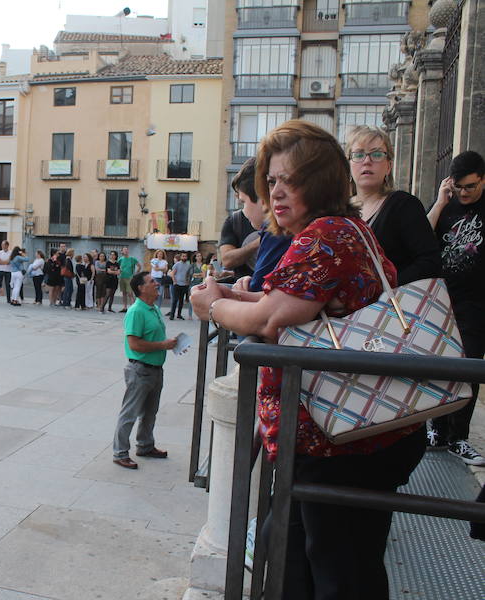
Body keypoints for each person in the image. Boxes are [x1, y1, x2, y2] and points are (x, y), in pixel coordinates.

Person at [191, 120, 425, 599]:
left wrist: (212, 306)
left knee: (340, 572)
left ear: (318, 181)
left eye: (289, 180)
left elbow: (275, 319)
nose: (276, 192)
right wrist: (242, 297)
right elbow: (297, 305)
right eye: (272, 181)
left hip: (344, 435)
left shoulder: (326, 236)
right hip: (344, 431)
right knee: (299, 558)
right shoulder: (341, 230)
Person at [426, 150, 485, 466]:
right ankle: (435, 428)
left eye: (471, 187)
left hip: (476, 303)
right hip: (441, 299)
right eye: (459, 186)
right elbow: (421, 236)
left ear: (483, 179)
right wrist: (440, 201)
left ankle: (458, 436)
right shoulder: (445, 205)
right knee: (439, 365)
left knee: (470, 367)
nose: (464, 193)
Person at [347, 126, 440, 286]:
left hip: (391, 306)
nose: (367, 161)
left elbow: (430, 262)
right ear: (349, 165)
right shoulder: (337, 210)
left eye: (376, 154)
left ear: (388, 166)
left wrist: (384, 287)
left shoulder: (404, 205)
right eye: (359, 154)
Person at [112, 271, 177, 469]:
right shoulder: (136, 311)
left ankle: (145, 445)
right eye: (152, 282)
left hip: (155, 369)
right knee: (129, 413)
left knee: (150, 412)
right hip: (140, 370)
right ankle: (120, 453)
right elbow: (134, 344)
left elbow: (153, 337)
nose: (157, 283)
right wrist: (162, 346)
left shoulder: (153, 309)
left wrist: (171, 344)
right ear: (141, 288)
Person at [225, 159, 293, 294]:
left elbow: (259, 291)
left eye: (243, 202)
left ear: (262, 199)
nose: (243, 211)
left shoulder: (275, 230)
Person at [218, 190, 259, 282]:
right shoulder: (235, 220)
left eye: (243, 200)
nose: (236, 197)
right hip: (244, 287)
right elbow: (227, 260)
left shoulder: (283, 222)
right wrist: (259, 241)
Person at [169, 253, 193, 320]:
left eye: (185, 256)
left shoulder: (189, 265)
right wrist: (174, 281)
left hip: (184, 285)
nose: (184, 257)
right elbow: (173, 273)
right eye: (183, 256)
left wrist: (188, 282)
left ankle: (179, 314)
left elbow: (189, 274)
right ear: (181, 257)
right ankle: (172, 315)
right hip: (177, 284)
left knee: (181, 301)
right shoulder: (177, 264)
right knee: (175, 300)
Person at [118, 246, 140, 313]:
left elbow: (139, 266)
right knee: (124, 293)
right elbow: (117, 267)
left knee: (130, 293)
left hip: (129, 278)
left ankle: (133, 307)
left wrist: (135, 274)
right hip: (122, 277)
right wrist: (118, 272)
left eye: (126, 250)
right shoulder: (120, 259)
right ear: (122, 252)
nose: (126, 251)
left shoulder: (132, 259)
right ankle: (125, 307)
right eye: (124, 250)